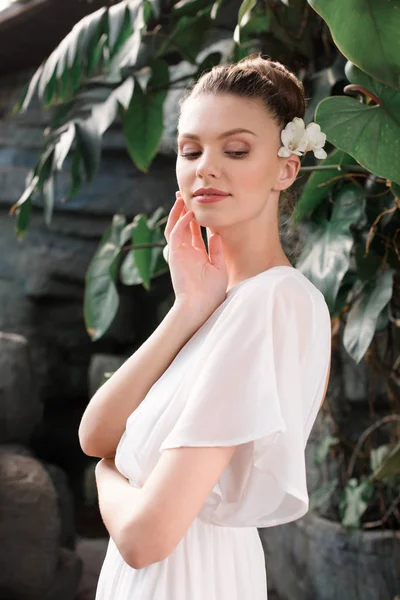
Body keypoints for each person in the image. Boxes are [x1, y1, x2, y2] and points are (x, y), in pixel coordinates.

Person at [79, 52, 332, 600]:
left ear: (286, 168)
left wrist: (107, 477)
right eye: (191, 150)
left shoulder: (274, 302)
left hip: (190, 582)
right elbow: (95, 433)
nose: (205, 167)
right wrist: (188, 307)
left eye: (236, 149)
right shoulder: (221, 301)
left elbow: (146, 536)